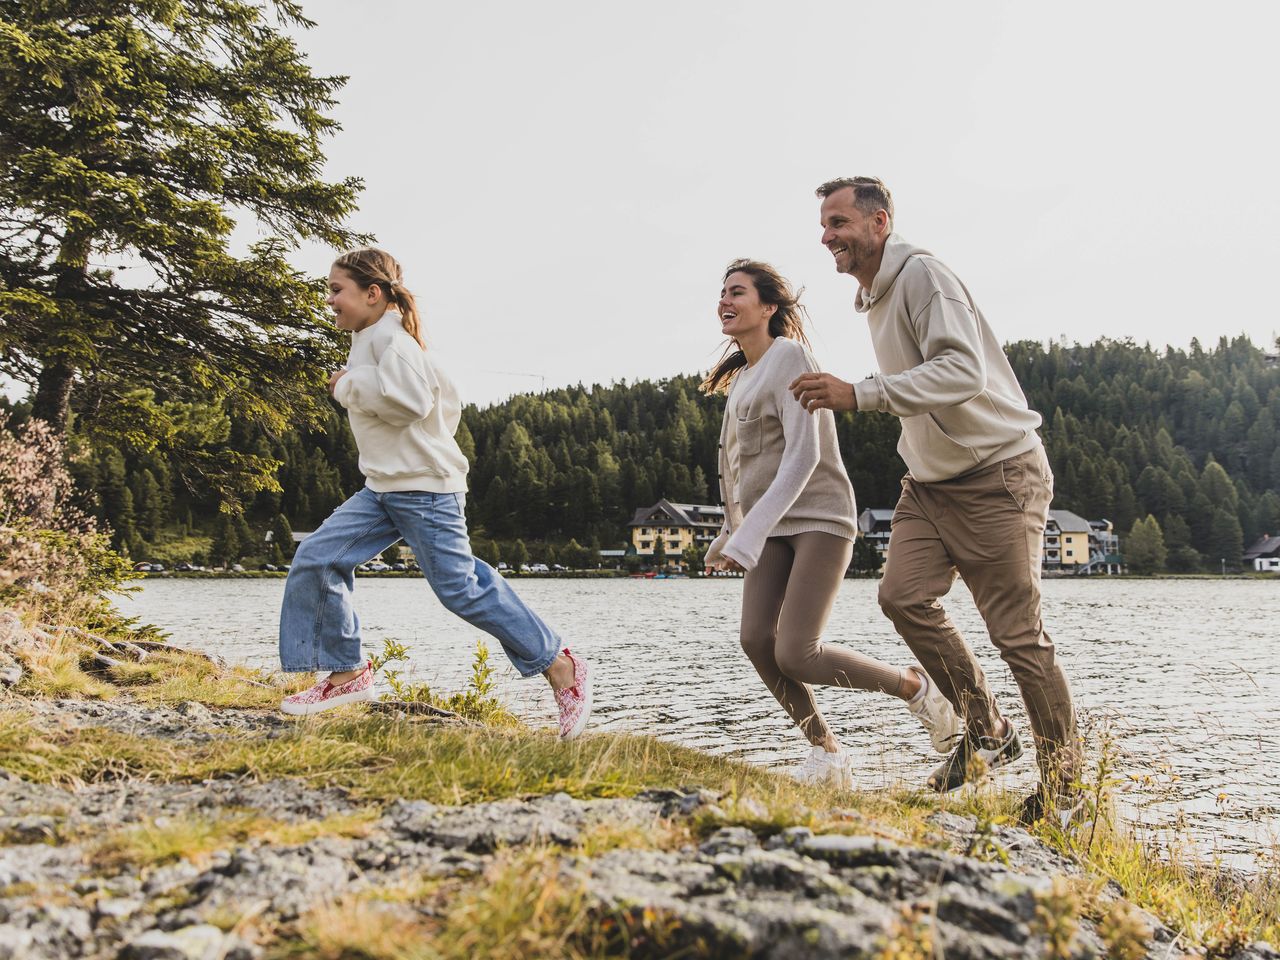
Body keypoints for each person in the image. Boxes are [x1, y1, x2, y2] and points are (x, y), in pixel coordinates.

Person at [790, 177, 1080, 823]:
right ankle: (987, 731)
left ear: (879, 222)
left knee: (1018, 638)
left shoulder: (923, 276)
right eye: (824, 224)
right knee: (901, 597)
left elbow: (962, 372)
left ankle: (1067, 792)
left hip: (998, 475)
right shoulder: (872, 294)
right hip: (929, 484)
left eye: (838, 222)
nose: (826, 235)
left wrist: (859, 394)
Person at [277, 247, 591, 739]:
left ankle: (561, 665)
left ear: (372, 293)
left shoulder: (392, 341)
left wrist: (347, 386)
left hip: (423, 490)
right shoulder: (372, 337)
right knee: (318, 556)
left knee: (461, 586)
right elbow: (443, 404)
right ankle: (347, 674)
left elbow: (411, 403)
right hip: (384, 486)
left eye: (337, 290)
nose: (331, 300)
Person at [702, 258, 960, 789]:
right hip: (769, 527)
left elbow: (802, 456)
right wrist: (730, 531)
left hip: (820, 518)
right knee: (756, 639)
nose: (725, 302)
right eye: (723, 294)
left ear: (769, 307)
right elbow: (735, 469)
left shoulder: (791, 357)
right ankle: (828, 751)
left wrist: (746, 535)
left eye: (737, 293)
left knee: (797, 651)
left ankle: (912, 686)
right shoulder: (743, 380)